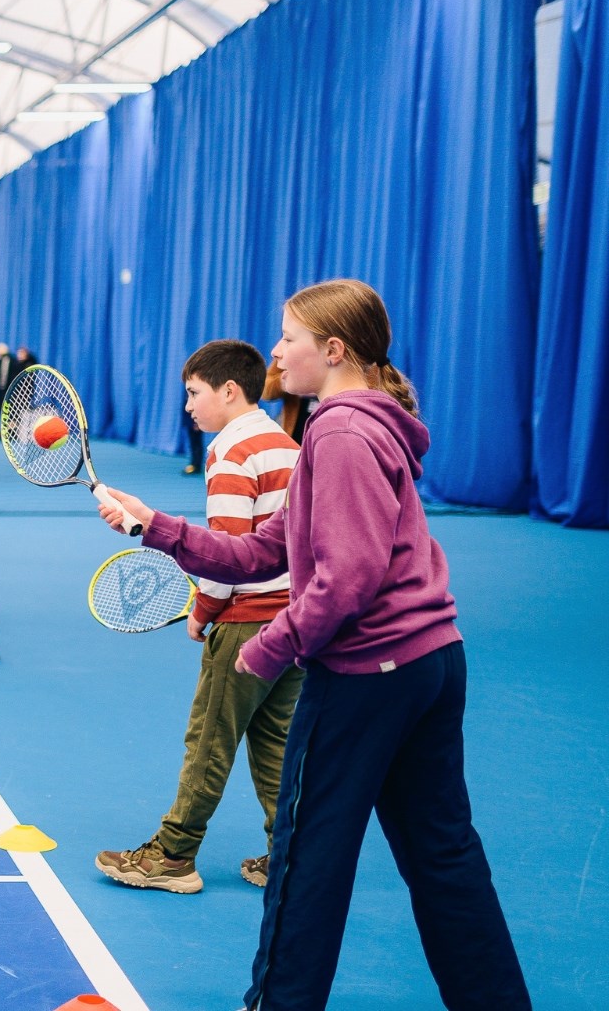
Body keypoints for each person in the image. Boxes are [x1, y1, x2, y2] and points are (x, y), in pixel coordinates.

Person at [98, 279, 529, 1011]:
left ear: (332, 350)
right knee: (444, 858)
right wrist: (154, 525)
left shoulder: (338, 432)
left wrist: (267, 647)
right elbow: (264, 551)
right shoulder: (350, 426)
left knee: (305, 864)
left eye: (288, 337)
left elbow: (347, 579)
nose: (274, 351)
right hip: (431, 660)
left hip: (369, 674)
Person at [95, 339, 304, 895]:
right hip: (294, 624)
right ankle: (295, 858)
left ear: (229, 391)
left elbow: (231, 553)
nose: (187, 406)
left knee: (209, 739)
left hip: (246, 624)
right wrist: (146, 524)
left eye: (193, 393)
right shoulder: (287, 443)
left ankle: (173, 855)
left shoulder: (229, 453)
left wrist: (205, 609)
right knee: (275, 742)